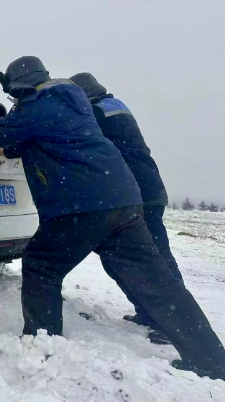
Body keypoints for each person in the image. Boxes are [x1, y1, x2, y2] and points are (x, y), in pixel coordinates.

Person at [0, 56, 225, 379]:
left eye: (12, 96)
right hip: (123, 200)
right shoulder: (73, 101)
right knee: (160, 284)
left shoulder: (35, 106)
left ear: (20, 87)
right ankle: (212, 359)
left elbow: (2, 131)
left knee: (41, 264)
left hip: (81, 207)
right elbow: (40, 137)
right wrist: (8, 150)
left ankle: (44, 342)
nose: (13, 102)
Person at [70, 72, 180, 343]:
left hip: (136, 193)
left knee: (156, 259)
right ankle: (151, 314)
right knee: (135, 257)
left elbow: (71, 135)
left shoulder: (97, 113)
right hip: (146, 190)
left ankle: (172, 324)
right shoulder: (115, 106)